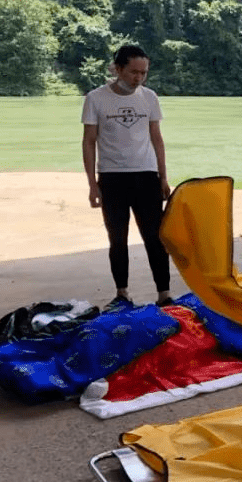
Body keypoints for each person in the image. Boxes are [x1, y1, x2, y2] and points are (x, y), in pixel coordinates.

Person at [81, 45, 173, 307]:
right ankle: (122, 292)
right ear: (118, 69)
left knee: (155, 238)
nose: (139, 78)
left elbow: (157, 139)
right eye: (133, 72)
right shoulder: (96, 99)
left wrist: (163, 177)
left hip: (146, 175)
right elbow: (89, 142)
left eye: (143, 73)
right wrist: (92, 184)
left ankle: (164, 293)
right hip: (112, 177)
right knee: (117, 238)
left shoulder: (150, 98)